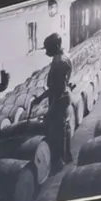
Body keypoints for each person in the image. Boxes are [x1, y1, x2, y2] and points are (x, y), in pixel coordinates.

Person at [40, 33, 72, 166]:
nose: (46, 51)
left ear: (57, 46)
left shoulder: (59, 63)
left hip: (59, 99)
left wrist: (50, 111)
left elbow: (56, 90)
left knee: (57, 131)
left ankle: (59, 162)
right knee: (65, 127)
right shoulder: (62, 57)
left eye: (48, 48)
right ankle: (67, 155)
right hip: (62, 96)